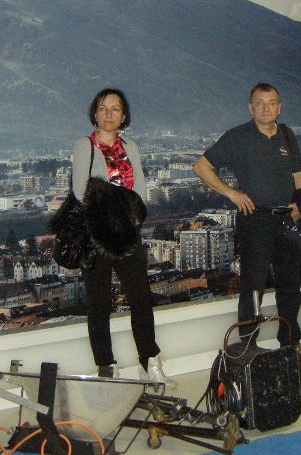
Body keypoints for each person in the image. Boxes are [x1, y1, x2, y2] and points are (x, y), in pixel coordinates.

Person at [193, 83, 301, 357]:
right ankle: (248, 348)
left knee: (290, 286)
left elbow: (298, 176)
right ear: (251, 108)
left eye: (272, 103)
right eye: (260, 103)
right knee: (253, 287)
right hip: (255, 220)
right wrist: (232, 193)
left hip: (286, 220)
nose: (266, 108)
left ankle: (290, 345)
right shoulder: (237, 137)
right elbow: (201, 167)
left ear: (279, 108)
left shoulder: (287, 135)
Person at [73, 88, 176, 387]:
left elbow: (140, 190)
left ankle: (150, 362)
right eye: (103, 108)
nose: (109, 114)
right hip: (96, 237)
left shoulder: (132, 147)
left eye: (115, 109)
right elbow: (80, 192)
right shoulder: (85, 146)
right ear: (95, 113)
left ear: (123, 115)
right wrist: (116, 211)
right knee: (99, 303)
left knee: (141, 299)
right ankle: (106, 367)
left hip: (127, 234)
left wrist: (129, 218)